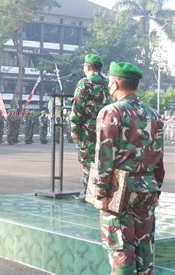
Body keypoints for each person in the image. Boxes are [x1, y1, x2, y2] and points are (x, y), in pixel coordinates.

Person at [92, 62, 164, 274]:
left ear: (114, 83)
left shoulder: (111, 112)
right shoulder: (154, 114)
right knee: (144, 245)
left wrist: (100, 192)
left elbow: (104, 157)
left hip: (119, 191)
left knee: (120, 245)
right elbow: (159, 156)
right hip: (147, 187)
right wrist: (156, 188)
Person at [70, 54, 110, 197]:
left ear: (89, 66)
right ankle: (103, 191)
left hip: (89, 127)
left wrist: (74, 128)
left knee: (88, 159)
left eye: (84, 65)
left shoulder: (85, 83)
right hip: (107, 126)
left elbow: (78, 107)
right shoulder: (108, 82)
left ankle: (88, 192)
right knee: (105, 159)